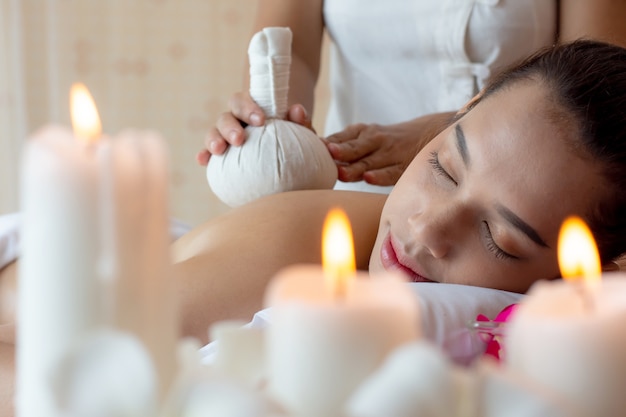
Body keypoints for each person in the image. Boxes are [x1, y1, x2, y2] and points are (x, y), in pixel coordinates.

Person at [3, 40, 626, 415]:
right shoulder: (300, 248)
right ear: (454, 117)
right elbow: (60, 355)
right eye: (442, 166)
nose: (426, 228)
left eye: (501, 238)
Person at [199, 0, 626, 193]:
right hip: (354, 187)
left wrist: (444, 138)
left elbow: (598, 94)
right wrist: (268, 124)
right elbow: (289, 49)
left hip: (505, 209)